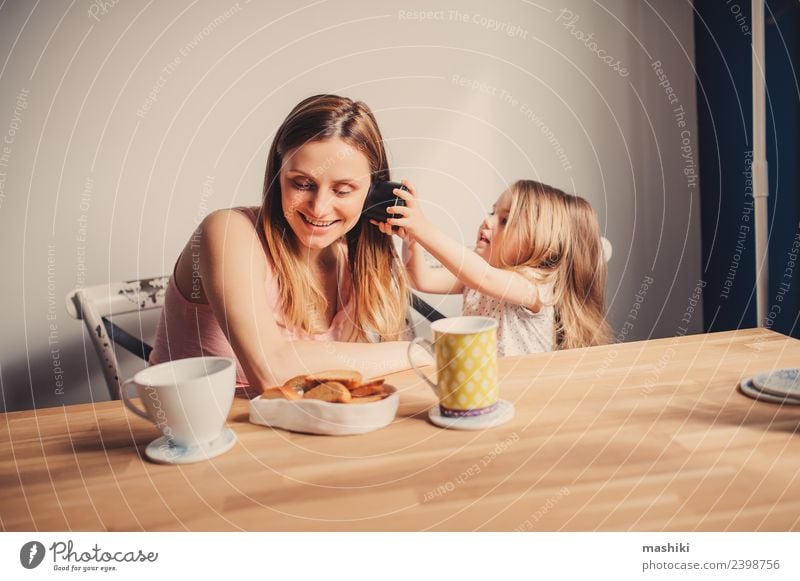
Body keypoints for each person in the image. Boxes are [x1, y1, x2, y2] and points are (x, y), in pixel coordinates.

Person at [149, 95, 428, 394]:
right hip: (201, 433)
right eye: (302, 184)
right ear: (277, 176)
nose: (319, 208)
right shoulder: (228, 232)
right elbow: (272, 372)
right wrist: (421, 352)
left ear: (373, 193)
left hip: (292, 428)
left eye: (343, 190)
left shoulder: (353, 258)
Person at [372, 179, 612, 356]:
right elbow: (421, 280)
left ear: (543, 243)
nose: (487, 221)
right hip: (485, 388)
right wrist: (412, 239)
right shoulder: (476, 277)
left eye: (505, 220)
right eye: (492, 212)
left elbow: (483, 277)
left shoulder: (534, 288)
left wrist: (423, 228)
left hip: (525, 393)